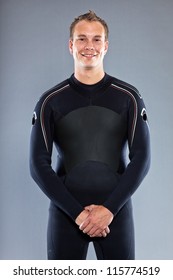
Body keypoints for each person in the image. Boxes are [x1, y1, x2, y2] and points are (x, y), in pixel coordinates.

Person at [29, 10, 150, 260]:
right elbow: (37, 165)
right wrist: (78, 213)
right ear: (71, 45)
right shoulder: (50, 101)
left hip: (115, 213)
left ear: (106, 46)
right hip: (66, 213)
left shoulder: (129, 97)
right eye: (82, 38)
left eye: (96, 39)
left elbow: (142, 159)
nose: (89, 46)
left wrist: (109, 209)